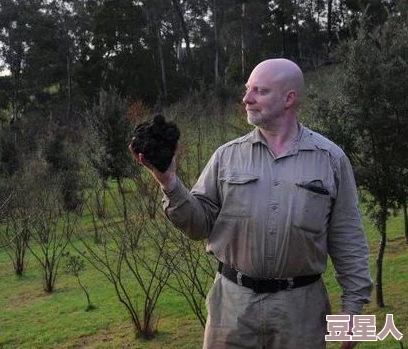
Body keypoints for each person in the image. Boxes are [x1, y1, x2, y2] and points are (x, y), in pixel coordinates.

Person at [130, 58, 373, 349]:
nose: (247, 98)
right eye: (248, 89)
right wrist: (169, 183)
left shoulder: (330, 159)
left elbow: (349, 239)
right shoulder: (226, 156)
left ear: (289, 98)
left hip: (301, 311)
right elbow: (198, 227)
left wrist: (353, 311)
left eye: (260, 90)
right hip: (232, 308)